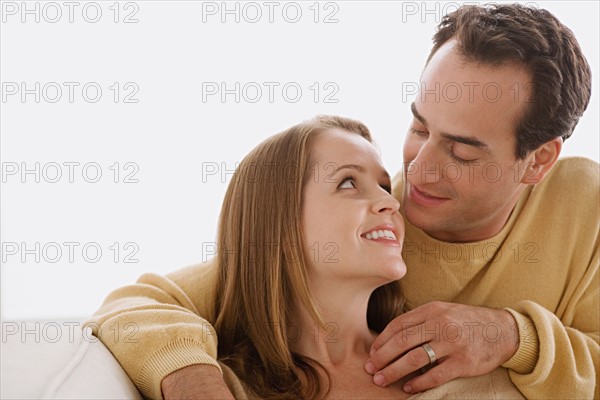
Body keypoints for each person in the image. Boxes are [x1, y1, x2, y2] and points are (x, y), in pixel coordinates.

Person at [88, 3, 598, 399]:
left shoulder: (584, 207)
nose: (415, 172)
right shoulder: (365, 228)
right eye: (419, 126)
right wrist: (193, 381)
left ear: (537, 161)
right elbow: (144, 303)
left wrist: (514, 336)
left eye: (463, 152)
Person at [89, 116, 526, 399]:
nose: (391, 202)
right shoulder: (225, 387)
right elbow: (129, 305)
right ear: (276, 225)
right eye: (348, 184)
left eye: (383, 185)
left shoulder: (465, 379)